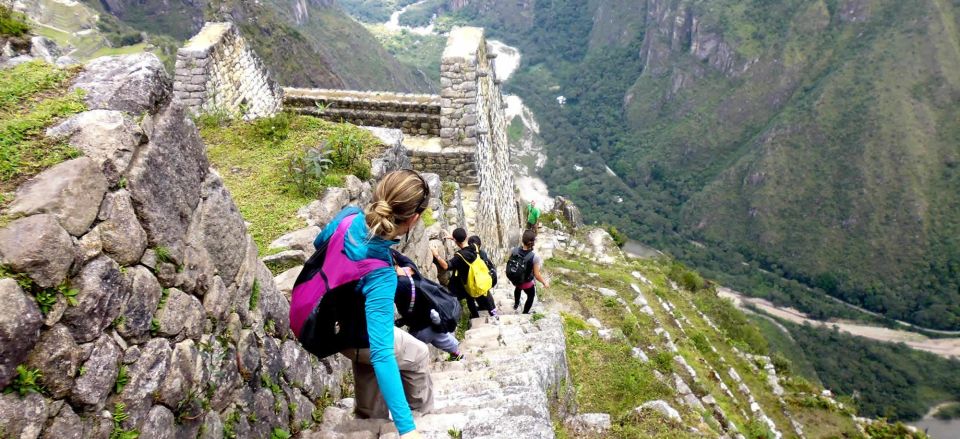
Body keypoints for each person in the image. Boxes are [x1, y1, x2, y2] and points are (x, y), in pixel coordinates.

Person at [295, 170, 431, 439]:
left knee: (368, 355)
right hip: (365, 341)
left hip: (335, 332)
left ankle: (370, 417)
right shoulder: (380, 274)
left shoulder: (348, 217)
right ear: (414, 219)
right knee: (419, 354)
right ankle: (420, 416)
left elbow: (320, 242)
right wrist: (407, 429)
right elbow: (382, 354)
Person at [392, 249, 465, 361]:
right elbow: (404, 259)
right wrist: (391, 251)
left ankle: (411, 371)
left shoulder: (398, 285)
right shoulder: (411, 270)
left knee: (409, 352)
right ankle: (457, 354)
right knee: (443, 339)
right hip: (432, 320)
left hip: (419, 328)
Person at [430, 228, 497, 320]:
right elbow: (463, 242)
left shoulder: (459, 257)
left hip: (469, 284)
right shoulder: (474, 246)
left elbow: (446, 266)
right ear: (466, 237)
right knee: (487, 298)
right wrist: (454, 238)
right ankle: (495, 315)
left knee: (470, 299)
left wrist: (436, 254)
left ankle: (475, 317)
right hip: (482, 280)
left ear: (456, 241)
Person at [512, 229, 549, 314]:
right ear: (533, 242)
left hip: (516, 280)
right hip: (527, 283)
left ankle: (516, 304)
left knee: (518, 289)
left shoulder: (515, 250)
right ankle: (525, 313)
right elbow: (537, 275)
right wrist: (544, 282)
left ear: (523, 240)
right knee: (531, 296)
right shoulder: (535, 257)